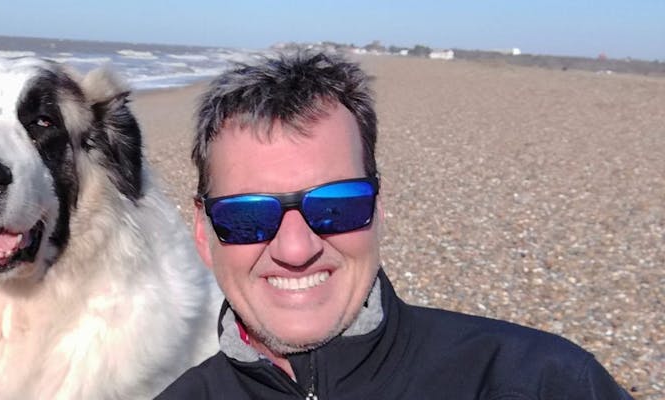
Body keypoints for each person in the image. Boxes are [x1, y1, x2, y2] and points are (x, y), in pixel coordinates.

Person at [158, 51, 630, 399]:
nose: (296, 249)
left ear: (378, 209)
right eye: (248, 216)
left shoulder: (543, 382)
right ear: (203, 232)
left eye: (336, 205)